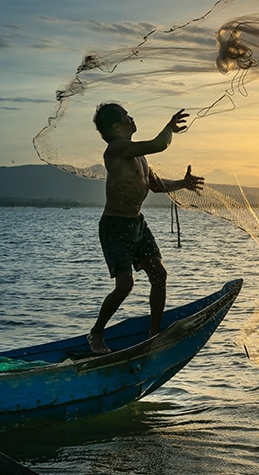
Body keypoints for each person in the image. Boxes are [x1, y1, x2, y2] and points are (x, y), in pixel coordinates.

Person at [87, 102, 204, 355]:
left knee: (159, 275)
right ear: (117, 126)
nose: (132, 118)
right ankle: (96, 332)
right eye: (126, 116)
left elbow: (157, 186)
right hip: (115, 225)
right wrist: (170, 128)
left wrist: (182, 183)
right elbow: (159, 144)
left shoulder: (139, 155)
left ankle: (154, 334)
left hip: (137, 223)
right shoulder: (116, 149)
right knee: (125, 285)